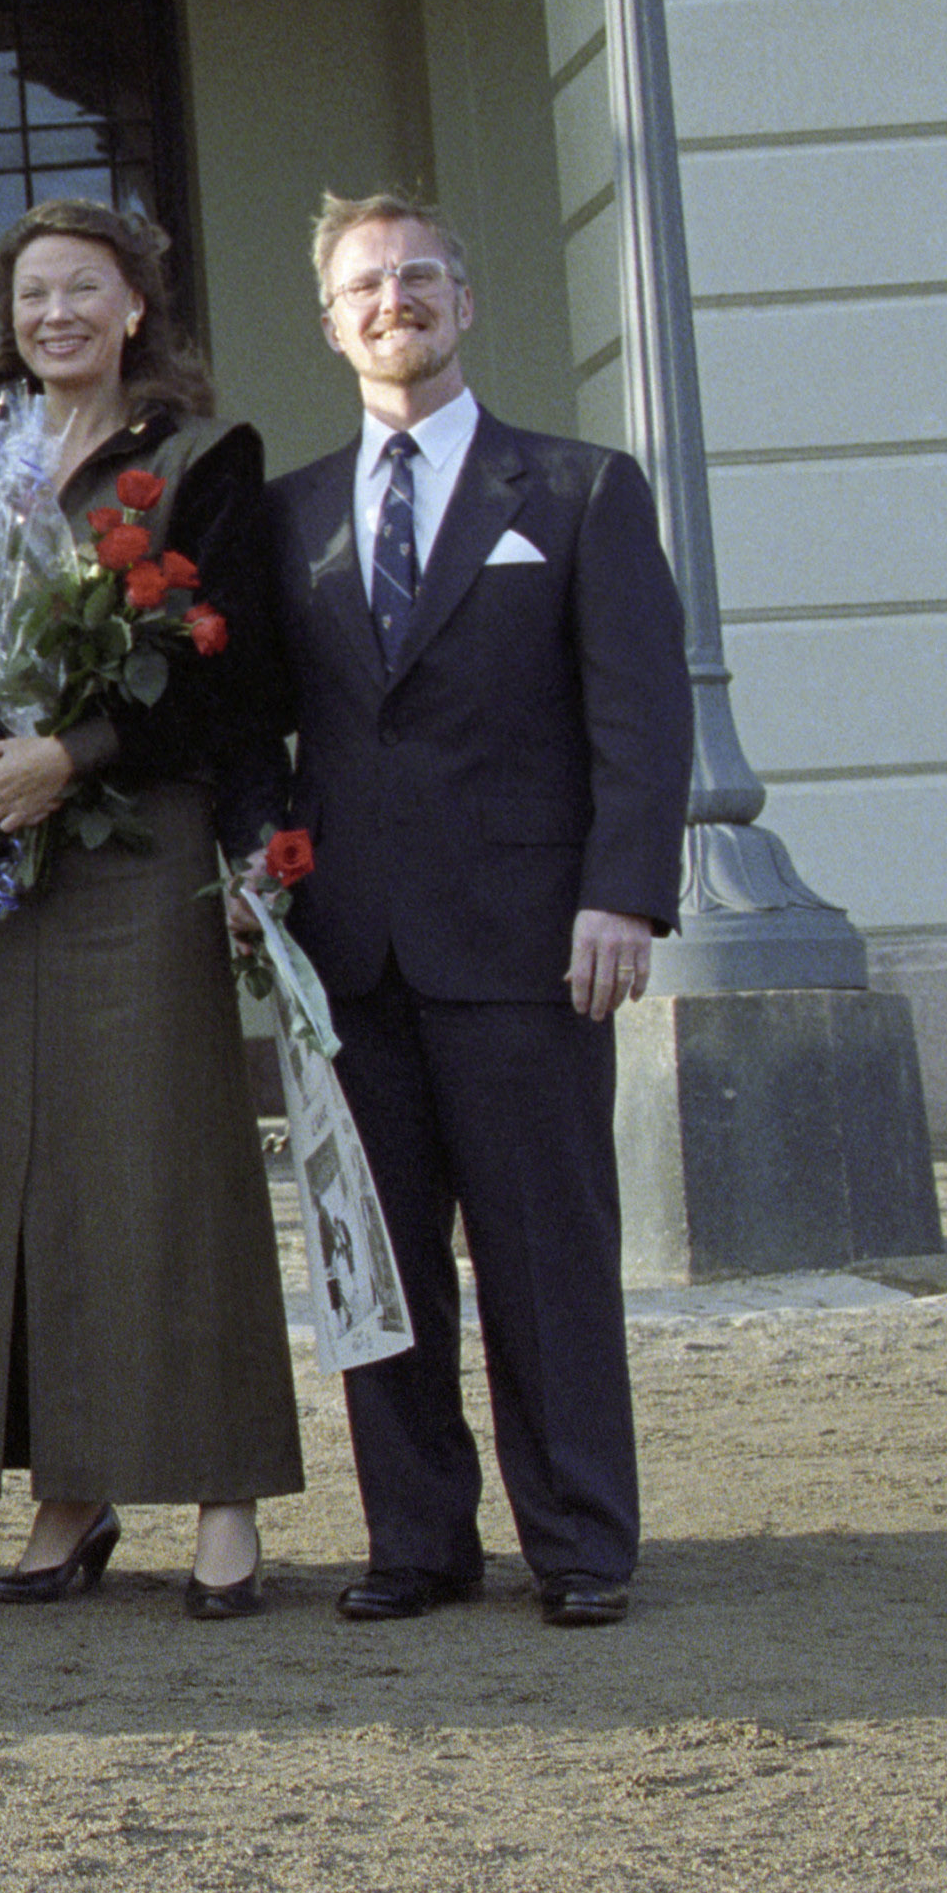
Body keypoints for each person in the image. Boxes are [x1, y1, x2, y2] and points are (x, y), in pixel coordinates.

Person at [274, 192, 687, 1630]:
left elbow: (635, 712)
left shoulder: (574, 491)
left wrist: (622, 894)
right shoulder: (291, 514)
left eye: (416, 276)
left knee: (539, 1257)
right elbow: (258, 729)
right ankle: (414, 1540)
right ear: (327, 326)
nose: (393, 301)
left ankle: (576, 1541)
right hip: (347, 956)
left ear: (463, 298)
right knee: (375, 1270)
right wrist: (259, 884)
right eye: (363, 286)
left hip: (527, 945)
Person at [0, 203, 303, 1617]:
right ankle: (65, 1494)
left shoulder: (199, 462)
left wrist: (70, 755)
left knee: (166, 1168)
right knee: (11, 1176)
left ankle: (220, 1495)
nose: (55, 315)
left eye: (81, 289)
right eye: (32, 293)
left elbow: (228, 672)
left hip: (134, 838)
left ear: (134, 306)